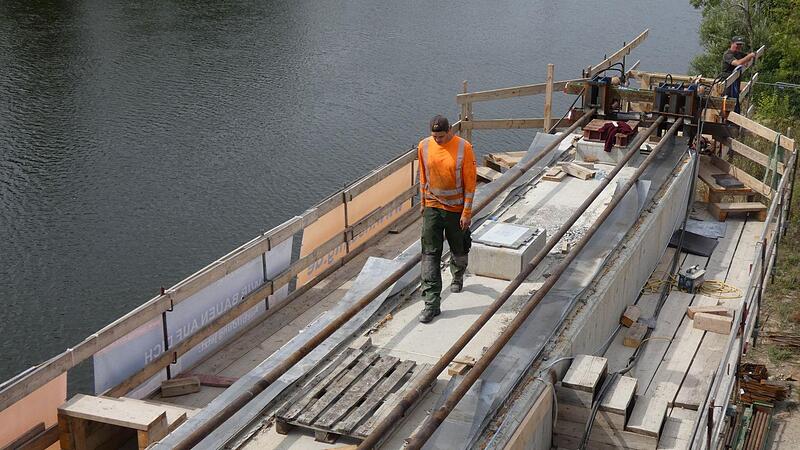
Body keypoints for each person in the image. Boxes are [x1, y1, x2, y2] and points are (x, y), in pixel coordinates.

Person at [417, 115, 477, 323]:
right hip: (433, 205)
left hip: (456, 209)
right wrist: (424, 205)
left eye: (441, 137)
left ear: (449, 130)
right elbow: (423, 177)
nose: (438, 141)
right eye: (435, 137)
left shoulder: (464, 148)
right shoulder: (424, 146)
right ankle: (431, 304)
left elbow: (470, 183)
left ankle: (458, 274)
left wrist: (466, 212)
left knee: (459, 248)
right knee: (430, 254)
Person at [722, 36, 756, 113]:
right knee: (727, 102)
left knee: (735, 101)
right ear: (732, 44)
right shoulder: (728, 55)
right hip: (727, 83)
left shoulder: (738, 54)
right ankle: (727, 120)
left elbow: (746, 58)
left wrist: (748, 59)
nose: (739, 46)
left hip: (735, 83)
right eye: (737, 44)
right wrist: (749, 56)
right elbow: (738, 63)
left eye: (740, 45)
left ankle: (733, 120)